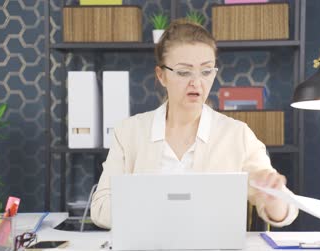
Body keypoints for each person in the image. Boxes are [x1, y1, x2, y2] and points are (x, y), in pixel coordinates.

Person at [91, 19, 298, 229]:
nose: (197, 82)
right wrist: (159, 209)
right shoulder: (129, 133)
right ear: (161, 76)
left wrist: (274, 198)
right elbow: (100, 209)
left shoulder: (237, 135)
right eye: (183, 72)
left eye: (206, 71)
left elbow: (287, 212)